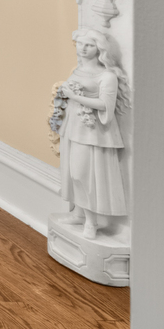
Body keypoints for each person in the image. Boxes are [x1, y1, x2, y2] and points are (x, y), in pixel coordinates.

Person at [56, 27, 129, 239]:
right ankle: (79, 214)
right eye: (81, 44)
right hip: (73, 126)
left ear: (99, 49)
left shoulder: (107, 76)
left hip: (92, 132)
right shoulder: (77, 70)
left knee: (83, 174)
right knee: (72, 173)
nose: (84, 48)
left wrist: (74, 96)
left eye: (90, 45)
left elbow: (105, 104)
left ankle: (92, 221)